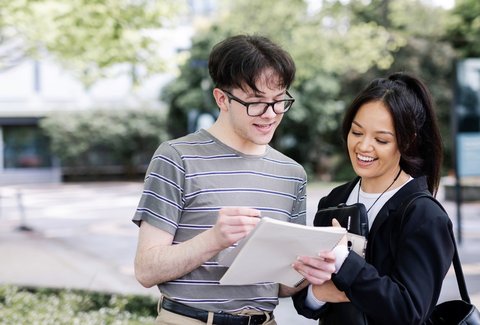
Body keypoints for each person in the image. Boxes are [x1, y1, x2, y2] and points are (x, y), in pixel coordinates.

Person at [132, 34, 337, 325]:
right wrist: (214, 239)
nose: (270, 114)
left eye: (279, 101)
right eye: (256, 102)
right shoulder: (176, 157)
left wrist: (311, 271)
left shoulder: (292, 174)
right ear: (222, 99)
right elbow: (146, 270)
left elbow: (281, 286)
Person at [292, 72, 456, 324]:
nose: (364, 147)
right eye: (357, 133)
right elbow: (305, 300)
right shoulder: (335, 200)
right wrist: (318, 293)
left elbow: (409, 312)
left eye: (381, 139)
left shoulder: (424, 215)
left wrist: (345, 265)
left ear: (407, 140)